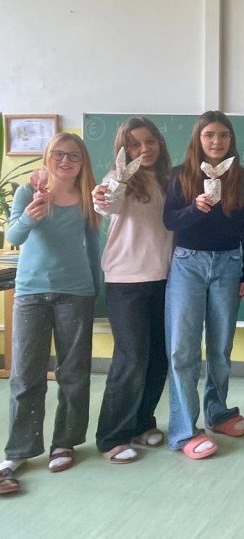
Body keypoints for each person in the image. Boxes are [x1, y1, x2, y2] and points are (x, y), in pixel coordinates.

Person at [0, 134, 100, 495]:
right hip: (30, 293)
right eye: (58, 154)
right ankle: (19, 451)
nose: (65, 161)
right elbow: (14, 235)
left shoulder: (87, 197)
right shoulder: (30, 192)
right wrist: (29, 216)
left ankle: (65, 443)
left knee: (74, 373)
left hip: (76, 293)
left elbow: (93, 248)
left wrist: (98, 293)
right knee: (26, 374)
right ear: (47, 156)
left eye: (74, 155)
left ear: (82, 162)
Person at [163, 110, 244, 459]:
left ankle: (218, 412)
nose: (217, 141)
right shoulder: (181, 175)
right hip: (188, 264)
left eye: (223, 135)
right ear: (198, 139)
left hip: (228, 264)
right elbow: (169, 220)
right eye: (209, 135)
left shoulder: (240, 177)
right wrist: (195, 209)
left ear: (231, 139)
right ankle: (184, 430)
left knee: (220, 347)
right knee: (183, 349)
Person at [93, 118, 174, 464]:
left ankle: (142, 423)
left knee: (158, 358)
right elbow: (106, 203)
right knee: (131, 358)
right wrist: (106, 192)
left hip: (163, 279)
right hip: (126, 281)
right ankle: (112, 436)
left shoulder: (167, 180)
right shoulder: (118, 176)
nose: (145, 149)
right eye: (136, 144)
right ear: (124, 149)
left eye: (150, 141)